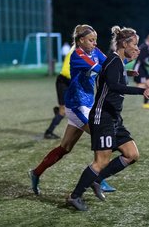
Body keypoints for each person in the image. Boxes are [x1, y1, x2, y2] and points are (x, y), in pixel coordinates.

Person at [67, 26, 149, 211]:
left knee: (131, 154)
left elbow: (111, 74)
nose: (137, 47)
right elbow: (113, 86)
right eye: (134, 44)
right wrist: (141, 90)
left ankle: (96, 180)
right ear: (124, 43)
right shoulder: (114, 61)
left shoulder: (118, 62)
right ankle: (75, 196)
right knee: (101, 162)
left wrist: (128, 67)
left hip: (114, 117)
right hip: (102, 117)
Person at [28, 24, 115, 195]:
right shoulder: (78, 55)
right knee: (101, 136)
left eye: (95, 40)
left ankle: (36, 173)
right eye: (91, 40)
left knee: (65, 148)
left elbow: (109, 64)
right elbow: (101, 70)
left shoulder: (94, 52)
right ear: (81, 40)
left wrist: (124, 67)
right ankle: (98, 178)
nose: (95, 44)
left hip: (88, 105)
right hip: (76, 106)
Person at [43, 48, 72, 139]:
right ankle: (49, 132)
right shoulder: (75, 51)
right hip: (64, 82)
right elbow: (66, 72)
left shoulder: (82, 51)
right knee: (63, 111)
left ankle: (57, 113)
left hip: (69, 82)